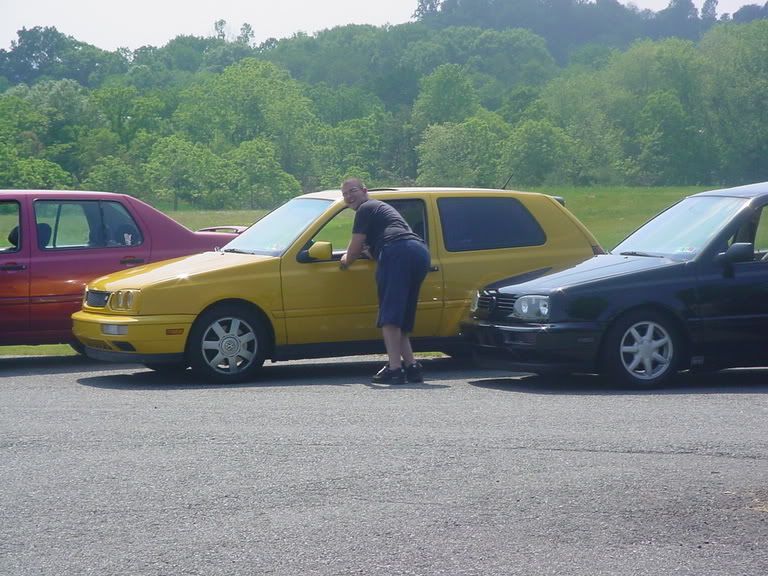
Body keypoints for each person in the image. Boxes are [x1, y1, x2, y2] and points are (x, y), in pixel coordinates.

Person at [339, 178, 431, 384]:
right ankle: (412, 366)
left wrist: (344, 261)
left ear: (365, 190)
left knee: (389, 317)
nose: (349, 196)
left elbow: (353, 251)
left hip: (397, 252)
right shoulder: (381, 211)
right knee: (401, 317)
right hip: (419, 252)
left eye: (352, 191)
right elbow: (374, 247)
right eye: (345, 194)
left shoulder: (366, 208)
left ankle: (394, 370)